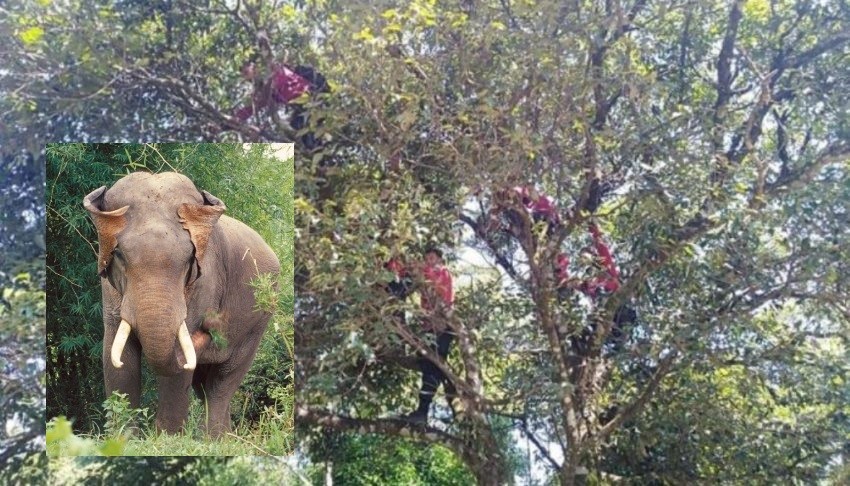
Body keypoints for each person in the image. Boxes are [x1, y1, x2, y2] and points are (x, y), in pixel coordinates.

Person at [398, 248, 456, 425]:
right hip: (430, 328)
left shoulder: (442, 271)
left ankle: (423, 411)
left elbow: (430, 278)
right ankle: (422, 412)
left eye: (432, 257)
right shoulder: (427, 274)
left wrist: (415, 265)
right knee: (427, 365)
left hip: (442, 327)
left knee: (433, 368)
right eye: (427, 258)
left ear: (439, 259)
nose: (428, 260)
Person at [235, 61, 329, 150]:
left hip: (309, 97)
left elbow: (264, 98)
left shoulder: (272, 69)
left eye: (247, 72)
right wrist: (236, 118)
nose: (247, 77)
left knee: (305, 130)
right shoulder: (262, 87)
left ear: (255, 67)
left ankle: (319, 153)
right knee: (299, 132)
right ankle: (318, 156)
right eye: (244, 75)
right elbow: (256, 105)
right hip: (300, 105)